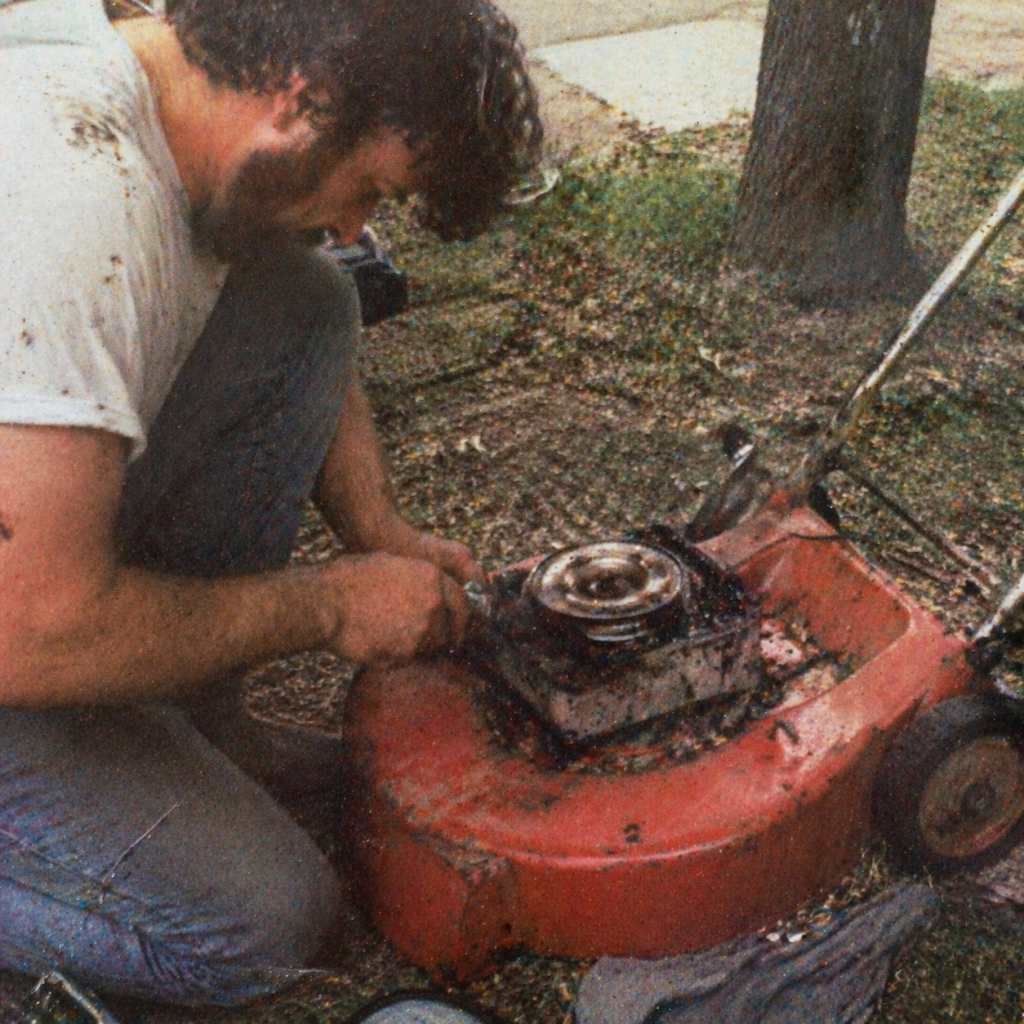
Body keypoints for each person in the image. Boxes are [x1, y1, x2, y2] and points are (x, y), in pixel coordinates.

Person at [0, 0, 541, 1009]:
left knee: (306, 296)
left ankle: (191, 728)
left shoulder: (154, 78)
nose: (353, 226)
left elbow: (297, 300)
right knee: (261, 921)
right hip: (17, 626)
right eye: (367, 188)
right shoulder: (69, 199)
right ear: (303, 94)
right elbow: (27, 631)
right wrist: (328, 604)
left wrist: (378, 528)